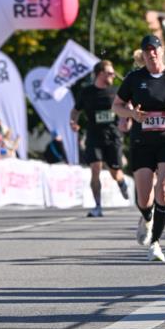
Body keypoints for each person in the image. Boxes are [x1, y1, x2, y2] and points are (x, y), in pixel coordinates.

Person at [113, 34, 165, 262]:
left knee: (164, 189)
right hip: (143, 140)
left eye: (154, 49)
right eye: (147, 51)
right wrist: (132, 114)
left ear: (161, 51)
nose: (151, 54)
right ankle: (146, 218)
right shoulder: (134, 78)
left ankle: (156, 243)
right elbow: (116, 106)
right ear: (143, 54)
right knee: (145, 197)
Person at [70, 60, 129, 217]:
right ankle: (97, 206)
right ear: (100, 74)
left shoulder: (116, 91)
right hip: (94, 136)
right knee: (95, 169)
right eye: (110, 73)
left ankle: (122, 183)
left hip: (113, 137)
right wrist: (73, 122)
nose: (113, 76)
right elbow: (75, 111)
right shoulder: (87, 92)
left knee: (115, 172)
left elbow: (127, 108)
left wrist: (127, 120)